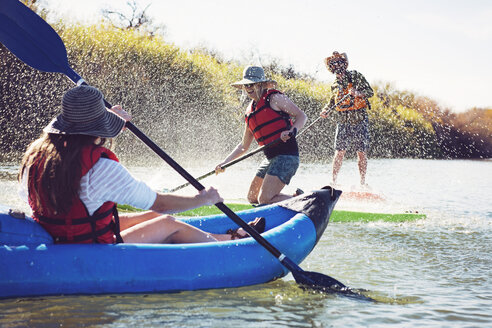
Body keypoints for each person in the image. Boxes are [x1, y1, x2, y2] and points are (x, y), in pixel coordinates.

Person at [18, 85, 265, 244]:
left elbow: (81, 158)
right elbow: (161, 202)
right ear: (98, 130)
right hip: (90, 247)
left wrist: (109, 121)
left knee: (149, 216)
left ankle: (228, 235)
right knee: (166, 222)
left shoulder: (37, 156)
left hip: (59, 235)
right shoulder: (101, 169)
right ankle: (231, 243)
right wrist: (203, 199)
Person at [215, 66, 307, 205]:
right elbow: (243, 146)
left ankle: (306, 201)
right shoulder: (249, 111)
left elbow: (302, 116)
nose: (248, 88)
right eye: (246, 85)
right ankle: (295, 197)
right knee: (252, 198)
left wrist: (292, 131)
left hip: (287, 156)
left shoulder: (275, 98)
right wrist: (225, 163)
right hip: (270, 158)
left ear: (261, 84)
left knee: (264, 199)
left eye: (251, 84)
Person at [320, 52, 374, 187]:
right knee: (339, 152)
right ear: (330, 67)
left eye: (339, 62)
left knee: (361, 152)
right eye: (333, 63)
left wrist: (358, 93)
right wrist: (326, 110)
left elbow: (370, 92)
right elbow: (332, 102)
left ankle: (362, 183)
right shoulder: (334, 85)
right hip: (342, 121)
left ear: (344, 64)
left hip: (359, 119)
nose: (337, 65)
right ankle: (333, 182)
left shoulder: (355, 76)